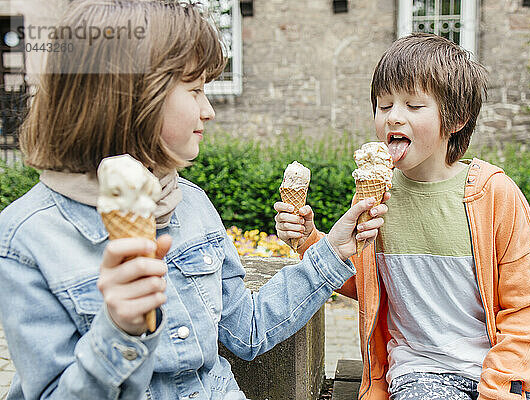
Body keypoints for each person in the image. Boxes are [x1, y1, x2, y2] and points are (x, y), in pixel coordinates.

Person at [0, 1, 390, 399]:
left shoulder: (192, 204)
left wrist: (333, 251)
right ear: (133, 97)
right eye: (195, 90)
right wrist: (119, 331)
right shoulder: (28, 239)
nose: (209, 111)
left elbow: (248, 330)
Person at [274, 33, 530, 400]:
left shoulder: (493, 194)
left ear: (456, 118)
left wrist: (498, 386)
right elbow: (365, 283)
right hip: (423, 369)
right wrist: (309, 239)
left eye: (413, 105)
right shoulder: (375, 197)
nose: (393, 117)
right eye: (384, 105)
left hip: (508, 366)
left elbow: (528, 305)